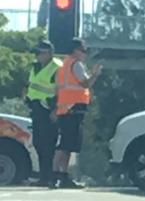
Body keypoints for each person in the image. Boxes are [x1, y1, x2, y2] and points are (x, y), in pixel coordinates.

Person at [50, 38, 102, 189]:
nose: (85, 54)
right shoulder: (76, 64)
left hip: (65, 107)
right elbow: (85, 83)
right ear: (75, 50)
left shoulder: (64, 64)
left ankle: (62, 176)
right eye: (83, 50)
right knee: (64, 144)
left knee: (68, 144)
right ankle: (55, 176)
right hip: (73, 108)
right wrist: (95, 74)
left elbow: (59, 88)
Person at [24, 40, 62, 186]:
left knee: (48, 144)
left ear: (49, 53)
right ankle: (44, 176)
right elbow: (32, 85)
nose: (37, 55)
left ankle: (50, 177)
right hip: (36, 109)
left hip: (49, 109)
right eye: (36, 52)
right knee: (38, 143)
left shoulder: (56, 67)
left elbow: (60, 90)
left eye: (40, 52)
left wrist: (56, 110)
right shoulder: (35, 67)